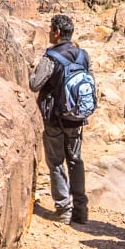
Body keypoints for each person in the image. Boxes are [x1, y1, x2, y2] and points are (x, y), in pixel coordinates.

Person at [29, 13, 92, 224]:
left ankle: (63, 208)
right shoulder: (83, 55)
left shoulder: (50, 57)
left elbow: (35, 84)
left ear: (57, 32)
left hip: (54, 118)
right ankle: (81, 210)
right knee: (75, 160)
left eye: (50, 29)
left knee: (56, 162)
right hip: (77, 118)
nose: (49, 32)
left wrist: (31, 71)